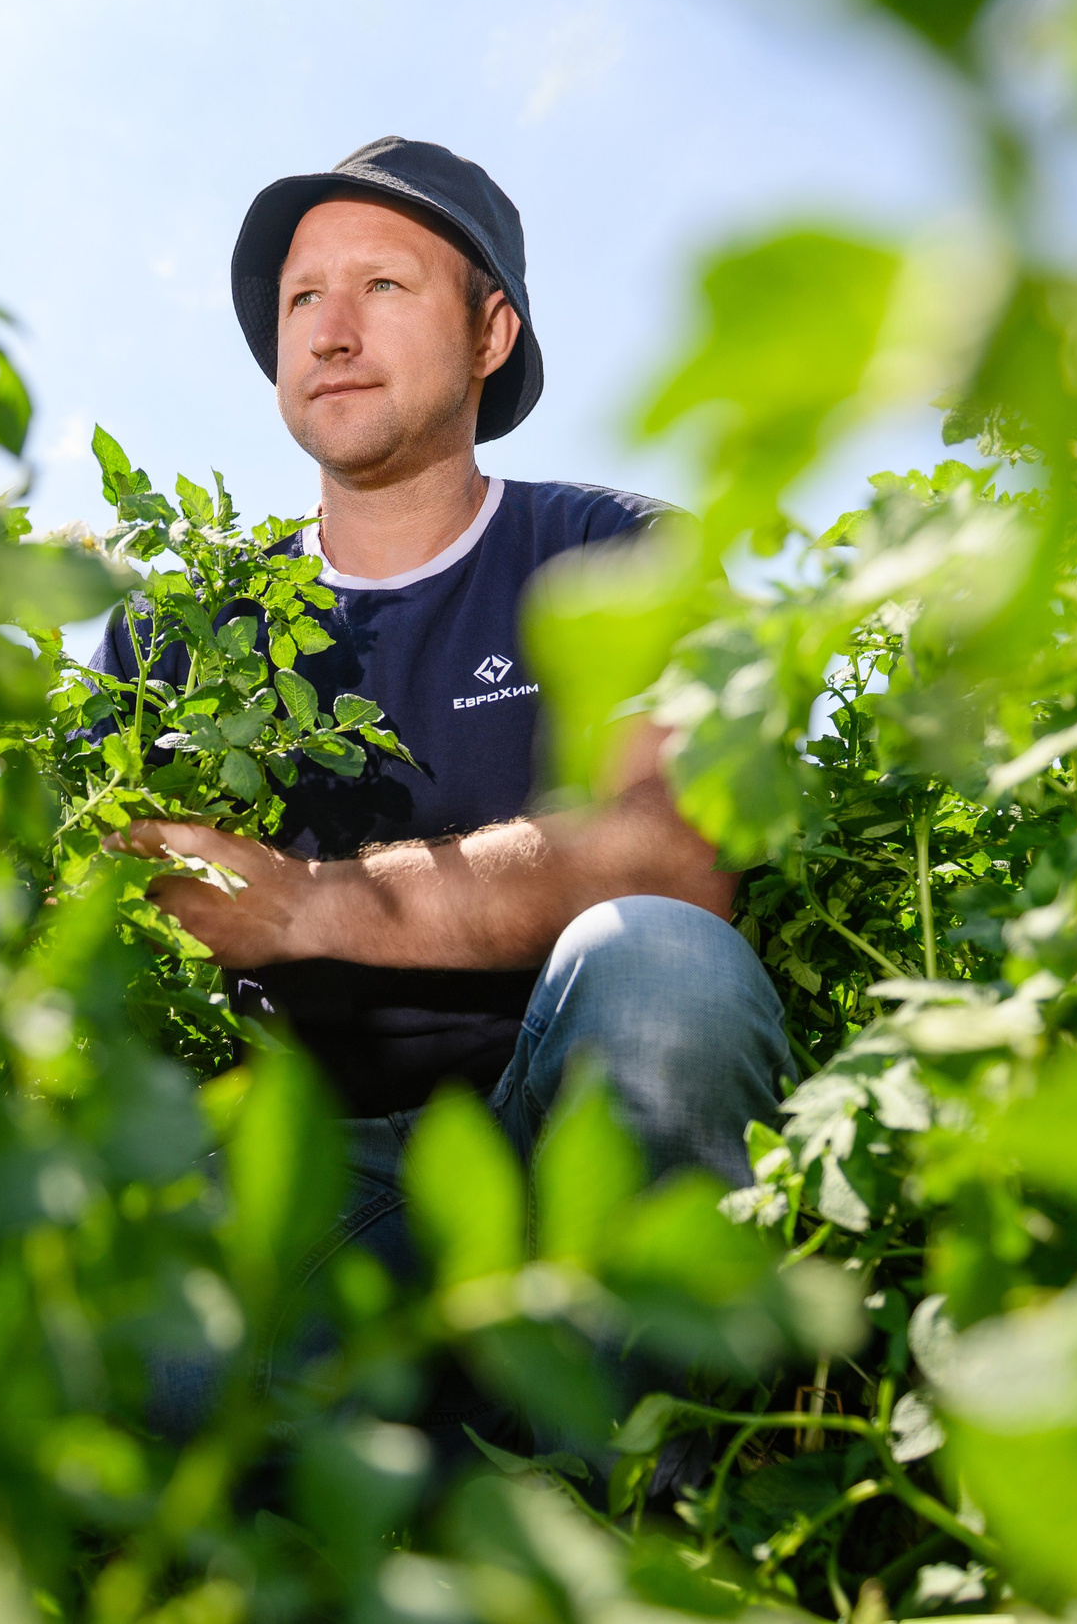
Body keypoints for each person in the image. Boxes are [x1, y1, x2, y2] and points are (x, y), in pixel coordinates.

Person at [92, 137, 792, 1325]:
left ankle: (652, 1415)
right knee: (152, 1349)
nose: (329, 333)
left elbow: (674, 853)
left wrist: (305, 903)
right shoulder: (175, 637)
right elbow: (98, 924)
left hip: (560, 1124)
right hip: (297, 1171)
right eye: (300, 298)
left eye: (383, 285)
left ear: (489, 333)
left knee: (661, 959)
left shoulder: (618, 557)